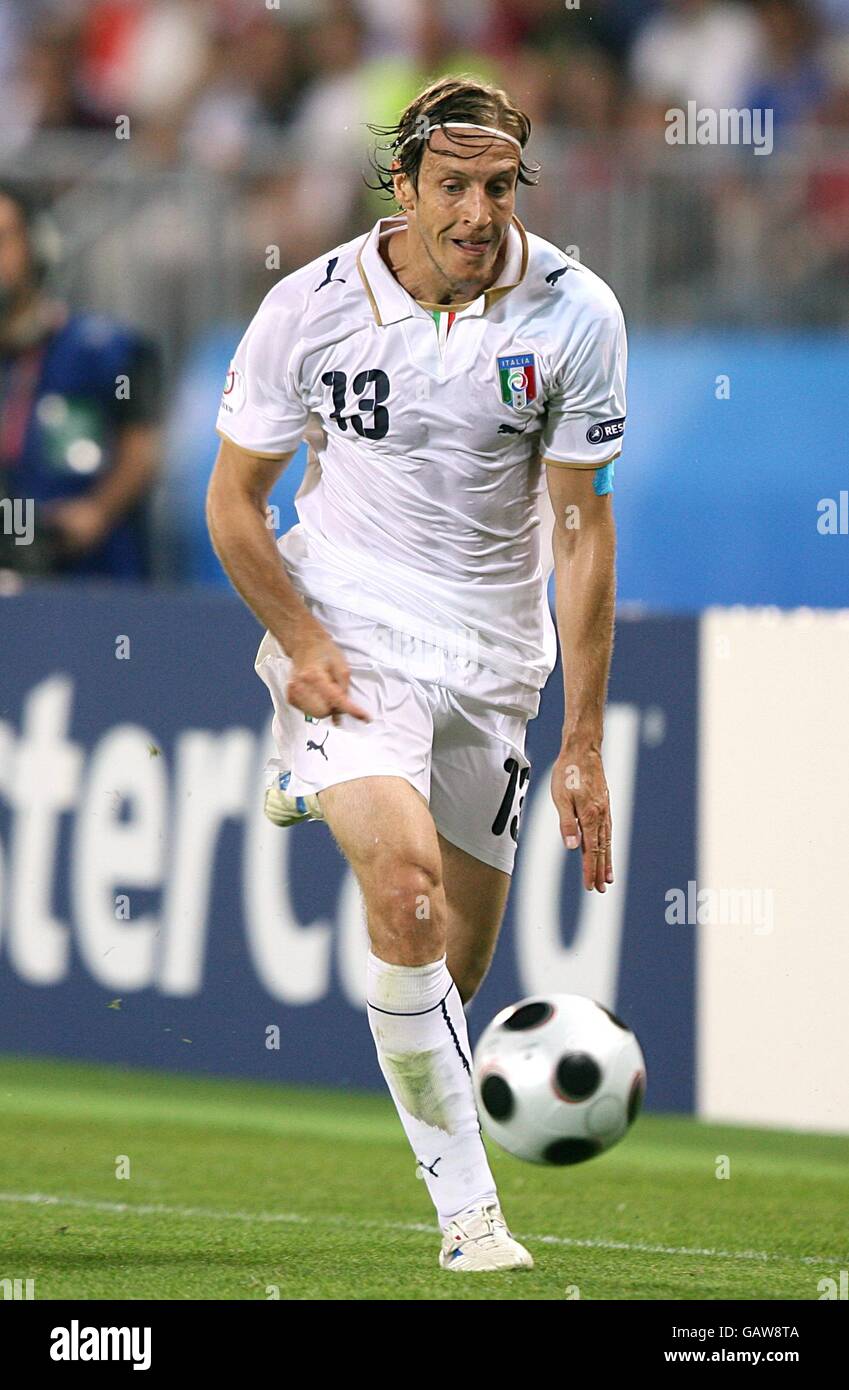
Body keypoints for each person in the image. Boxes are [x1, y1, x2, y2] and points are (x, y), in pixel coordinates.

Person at [207, 75, 627, 1273]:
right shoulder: (310, 306)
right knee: (405, 896)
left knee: (455, 965)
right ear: (405, 186)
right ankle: (472, 1220)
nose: (479, 212)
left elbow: (583, 532)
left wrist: (583, 743)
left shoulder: (576, 314)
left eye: (500, 187)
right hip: (351, 624)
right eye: (454, 186)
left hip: (493, 659)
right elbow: (233, 503)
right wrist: (303, 636)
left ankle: (304, 768)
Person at [0, 185, 161, 579]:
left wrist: (96, 511)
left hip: (91, 580)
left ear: (39, 249)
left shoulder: (103, 350)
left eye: (3, 240)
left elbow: (142, 452)